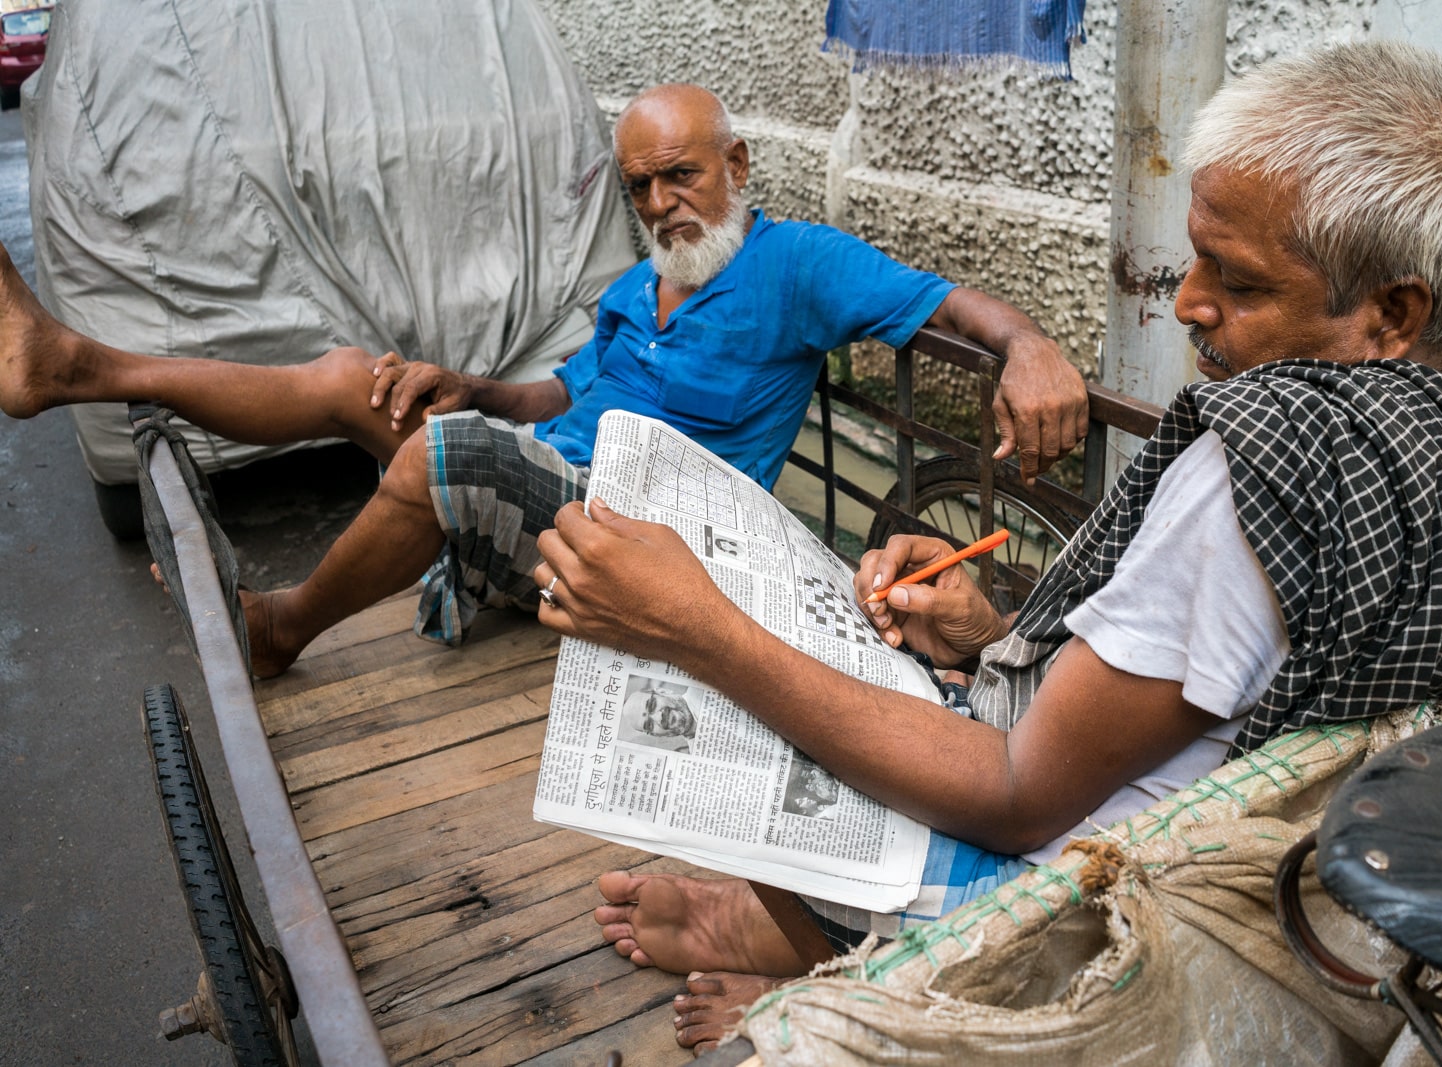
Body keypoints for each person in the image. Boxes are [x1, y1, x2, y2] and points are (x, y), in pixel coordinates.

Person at [522, 42, 1442, 1053]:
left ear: (1391, 313)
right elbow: (1207, 691)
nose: (1186, 301)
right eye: (1194, 257)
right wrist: (991, 632)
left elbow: (1014, 796)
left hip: (1069, 914)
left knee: (742, 704)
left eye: (1235, 279)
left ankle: (810, 953)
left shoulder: (1255, 466)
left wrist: (694, 627)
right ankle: (778, 932)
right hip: (1219, 866)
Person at [0, 82, 1086, 678]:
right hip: (552, 481)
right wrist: (464, 382)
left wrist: (1029, 345)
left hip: (642, 540)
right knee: (359, 380)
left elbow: (949, 303)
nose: (663, 203)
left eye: (684, 175)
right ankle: (77, 366)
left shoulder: (793, 263)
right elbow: (556, 399)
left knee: (445, 454)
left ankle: (279, 625)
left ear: (738, 168)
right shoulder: (635, 286)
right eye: (641, 185)